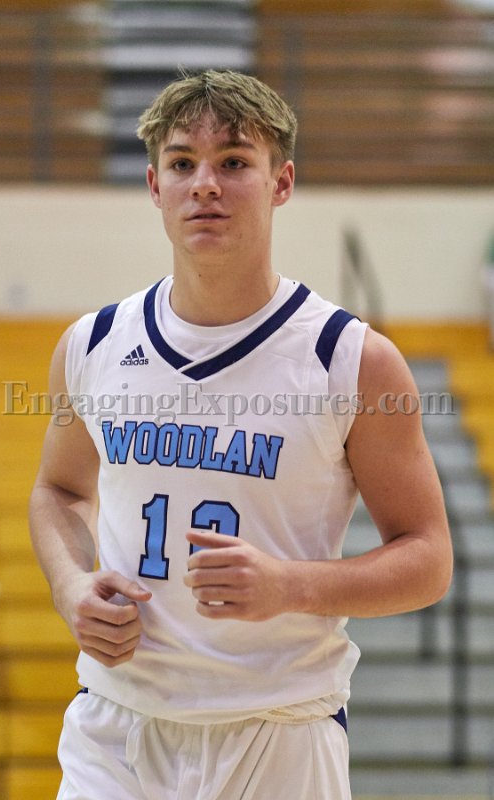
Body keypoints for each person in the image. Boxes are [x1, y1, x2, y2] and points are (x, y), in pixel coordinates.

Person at [29, 69, 453, 800]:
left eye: (232, 161)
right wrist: (71, 587)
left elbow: (428, 559)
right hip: (115, 726)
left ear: (280, 182)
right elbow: (58, 490)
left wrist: (291, 584)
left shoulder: (349, 358)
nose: (204, 185)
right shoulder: (93, 343)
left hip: (278, 730)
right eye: (181, 163)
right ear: (154, 186)